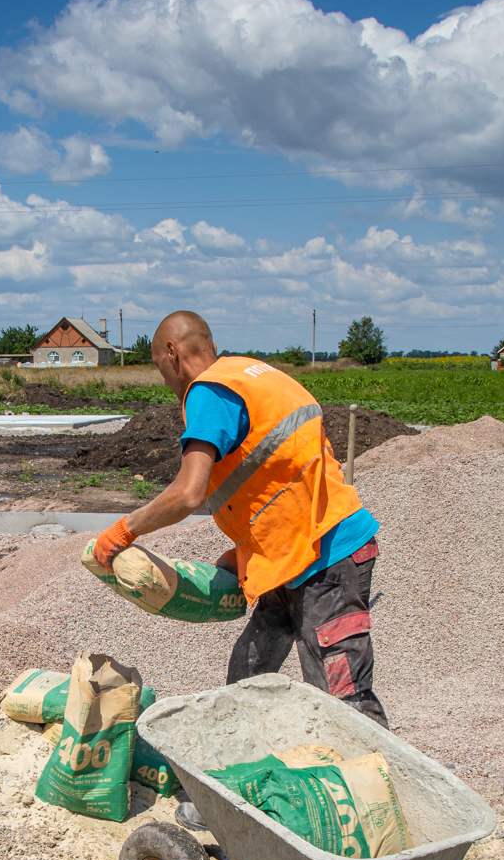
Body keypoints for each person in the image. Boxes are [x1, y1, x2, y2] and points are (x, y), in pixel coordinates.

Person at [91, 311, 387, 725]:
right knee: (248, 671)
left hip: (328, 560)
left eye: (160, 366)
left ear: (173, 353)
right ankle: (238, 763)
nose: (165, 380)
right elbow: (287, 473)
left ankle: (374, 783)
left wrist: (125, 529)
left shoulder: (209, 391)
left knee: (343, 701)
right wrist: (246, 548)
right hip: (296, 554)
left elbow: (189, 492)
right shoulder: (256, 375)